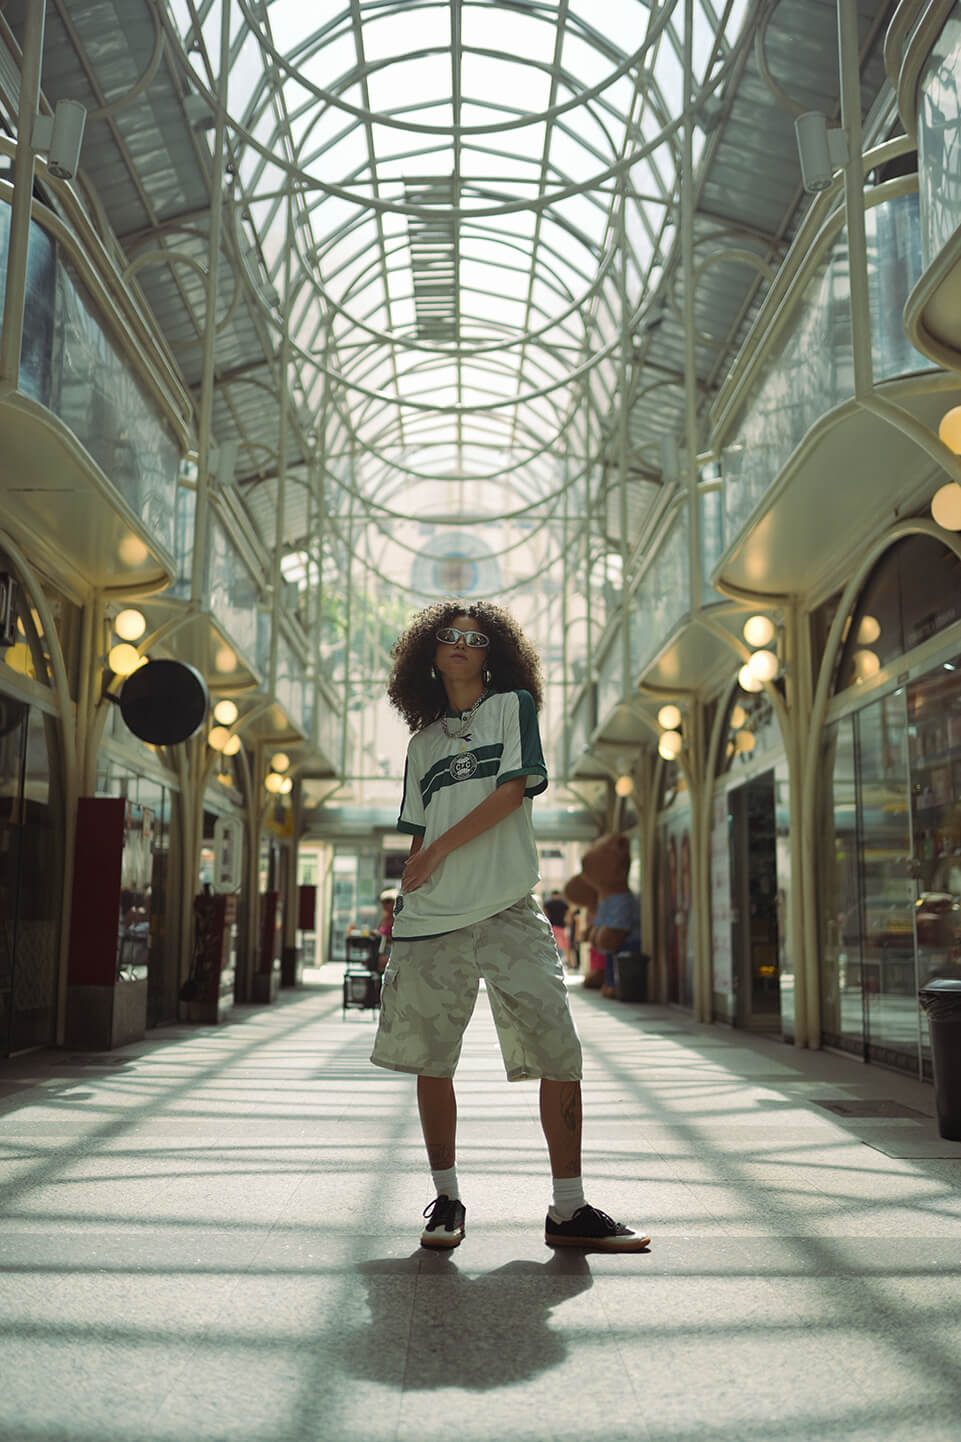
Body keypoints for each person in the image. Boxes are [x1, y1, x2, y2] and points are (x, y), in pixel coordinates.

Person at [370, 601, 649, 1254]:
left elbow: (511, 790)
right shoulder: (422, 745)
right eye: (449, 637)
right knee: (429, 1059)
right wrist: (401, 913)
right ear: (429, 655)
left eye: (475, 638)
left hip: (507, 909)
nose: (462, 645)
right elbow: (418, 837)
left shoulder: (511, 707)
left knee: (559, 1049)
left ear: (492, 652)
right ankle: (446, 1199)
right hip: (431, 919)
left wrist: (437, 853)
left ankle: (569, 1208)